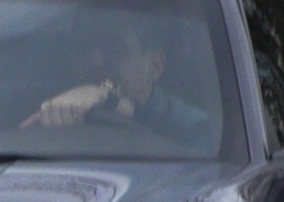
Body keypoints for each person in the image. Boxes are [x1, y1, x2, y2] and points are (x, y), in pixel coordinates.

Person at [24, 21, 216, 147]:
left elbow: (198, 154)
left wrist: (114, 103)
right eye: (83, 49)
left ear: (156, 65)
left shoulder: (191, 126)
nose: (95, 61)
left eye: (116, 48)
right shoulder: (45, 111)